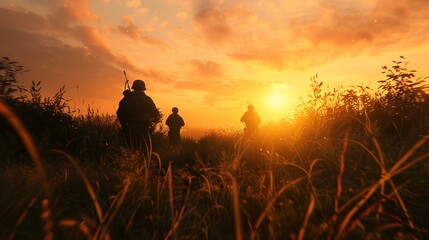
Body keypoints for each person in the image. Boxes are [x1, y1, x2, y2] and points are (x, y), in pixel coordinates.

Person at [116, 79, 160, 149]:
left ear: (134, 87)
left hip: (128, 129)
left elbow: (119, 113)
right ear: (143, 88)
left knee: (129, 150)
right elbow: (155, 113)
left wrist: (123, 124)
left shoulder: (126, 99)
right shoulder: (147, 99)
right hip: (143, 129)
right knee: (143, 150)